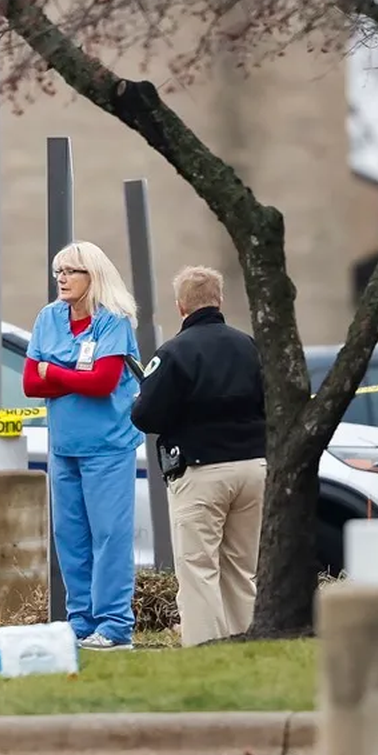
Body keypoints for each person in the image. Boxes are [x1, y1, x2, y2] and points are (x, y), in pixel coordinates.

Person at [130, 265, 267, 648]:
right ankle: (250, 643)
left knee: (198, 567)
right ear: (219, 300)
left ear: (180, 306)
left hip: (201, 470)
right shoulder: (249, 345)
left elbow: (145, 416)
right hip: (253, 466)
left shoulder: (174, 353)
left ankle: (207, 647)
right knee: (241, 567)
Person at [22, 241, 143, 652]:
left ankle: (114, 625)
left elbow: (102, 383)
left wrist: (52, 370)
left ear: (94, 277)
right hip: (64, 447)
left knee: (109, 535)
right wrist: (69, 373)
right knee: (70, 535)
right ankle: (81, 621)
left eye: (72, 271)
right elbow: (28, 383)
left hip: (108, 446)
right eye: (59, 270)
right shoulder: (48, 318)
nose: (62, 278)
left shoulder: (114, 322)